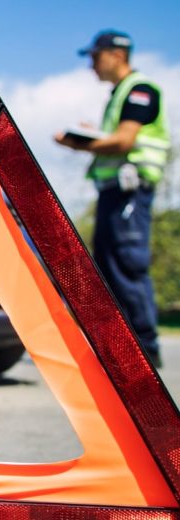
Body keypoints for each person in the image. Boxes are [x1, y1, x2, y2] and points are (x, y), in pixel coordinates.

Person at [55, 29, 170, 369]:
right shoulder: (120, 94)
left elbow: (123, 142)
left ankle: (145, 351)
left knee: (127, 264)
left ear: (116, 55)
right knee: (107, 265)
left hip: (129, 192)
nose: (92, 65)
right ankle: (119, 349)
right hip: (114, 193)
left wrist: (82, 143)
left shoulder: (140, 90)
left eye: (95, 57)